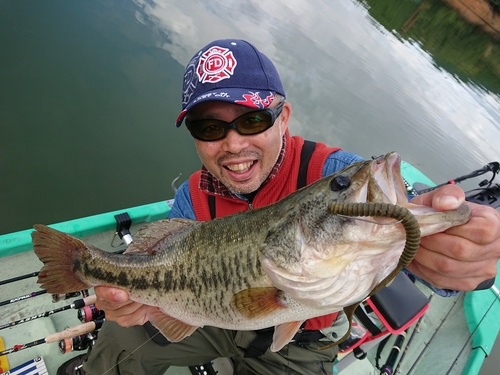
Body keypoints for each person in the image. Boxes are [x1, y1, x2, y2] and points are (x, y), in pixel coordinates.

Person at [59, 39, 500, 375]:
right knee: (119, 338)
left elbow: (417, 232)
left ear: (283, 117)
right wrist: (140, 303)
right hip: (208, 314)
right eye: (208, 127)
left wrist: (459, 258)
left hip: (304, 339)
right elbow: (170, 270)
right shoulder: (191, 197)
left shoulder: (340, 173)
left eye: (252, 120)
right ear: (193, 135)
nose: (233, 145)